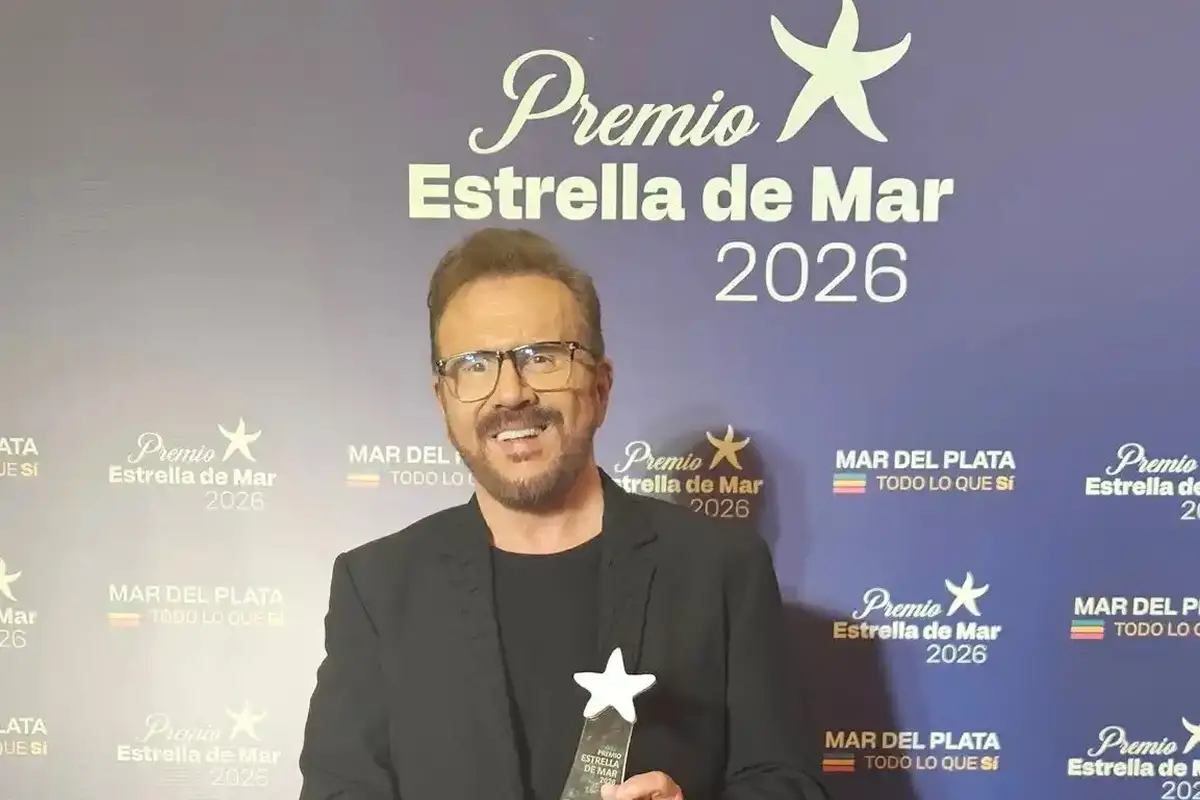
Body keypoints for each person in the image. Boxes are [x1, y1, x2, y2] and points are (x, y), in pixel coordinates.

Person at [298, 228, 827, 800]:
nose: (510, 393)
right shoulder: (376, 587)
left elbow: (787, 784)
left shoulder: (722, 569)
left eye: (542, 357)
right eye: (475, 364)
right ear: (443, 400)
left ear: (600, 388)